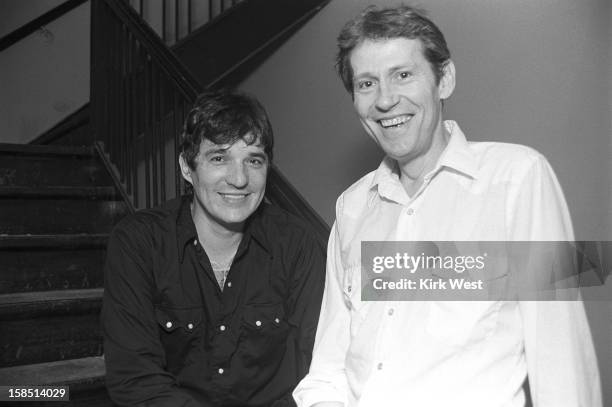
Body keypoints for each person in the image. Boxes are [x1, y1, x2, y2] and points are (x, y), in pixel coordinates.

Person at [293, 5, 602, 407]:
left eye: (403, 75)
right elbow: (330, 368)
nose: (385, 99)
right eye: (366, 83)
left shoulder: (516, 179)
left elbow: (561, 361)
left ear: (445, 79)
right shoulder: (352, 208)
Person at [102, 90, 326, 407]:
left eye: (254, 160)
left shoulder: (298, 243)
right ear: (186, 167)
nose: (239, 178)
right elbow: (136, 379)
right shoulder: (140, 242)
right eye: (219, 158)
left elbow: (322, 363)